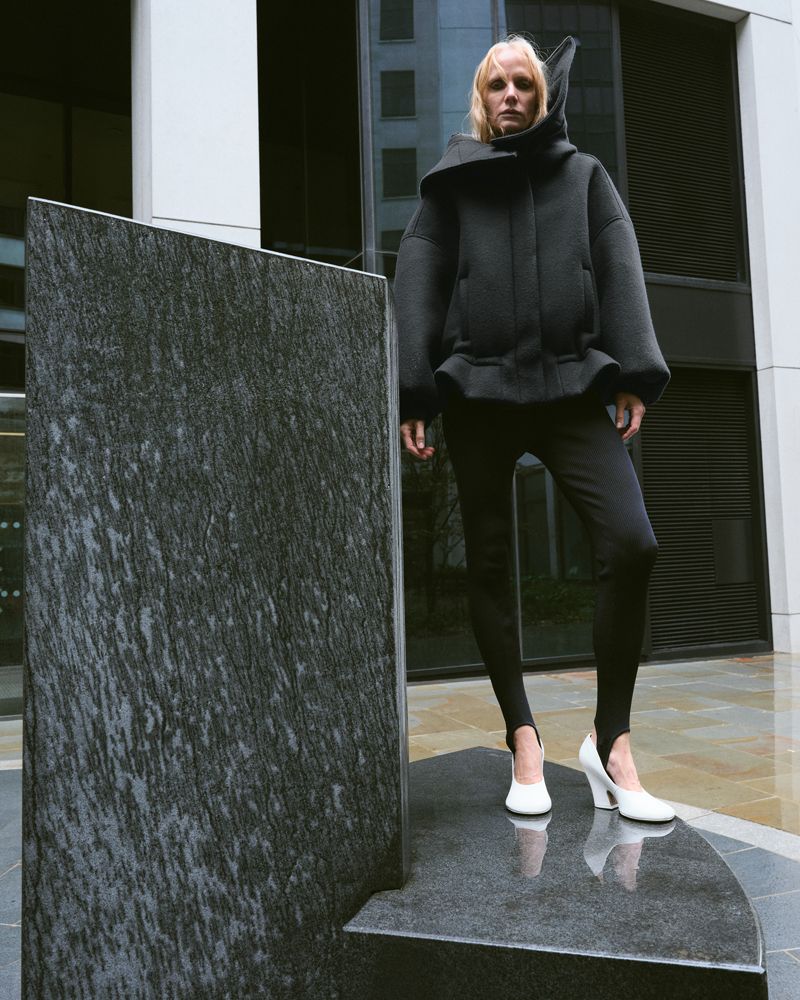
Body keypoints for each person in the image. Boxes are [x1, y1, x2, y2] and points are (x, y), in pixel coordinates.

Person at [393, 34, 675, 823]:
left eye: (524, 83)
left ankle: (610, 743)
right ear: (481, 102)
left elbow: (619, 262)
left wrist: (635, 372)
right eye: (497, 87)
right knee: (487, 564)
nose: (511, 95)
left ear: (540, 96)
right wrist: (415, 393)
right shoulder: (452, 186)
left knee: (632, 541)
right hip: (478, 395)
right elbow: (416, 277)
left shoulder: (584, 177)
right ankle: (522, 737)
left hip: (569, 389)